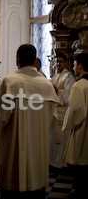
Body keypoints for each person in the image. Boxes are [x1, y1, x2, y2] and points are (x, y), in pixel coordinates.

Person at [0, 44, 59, 198]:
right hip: (38, 156)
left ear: (17, 58)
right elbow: (52, 120)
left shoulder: (10, 82)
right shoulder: (46, 85)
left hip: (13, 154)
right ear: (34, 60)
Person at [62, 53, 88, 199]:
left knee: (79, 166)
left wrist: (68, 124)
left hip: (82, 131)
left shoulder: (79, 86)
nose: (73, 67)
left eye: (74, 64)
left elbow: (75, 111)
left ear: (80, 65)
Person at [50, 53, 76, 169]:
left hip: (63, 111)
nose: (58, 64)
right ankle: (54, 162)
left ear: (65, 63)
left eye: (60, 61)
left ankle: (62, 163)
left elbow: (68, 96)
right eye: (57, 62)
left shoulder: (69, 76)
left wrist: (55, 93)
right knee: (53, 138)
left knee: (62, 138)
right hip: (55, 111)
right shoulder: (55, 77)